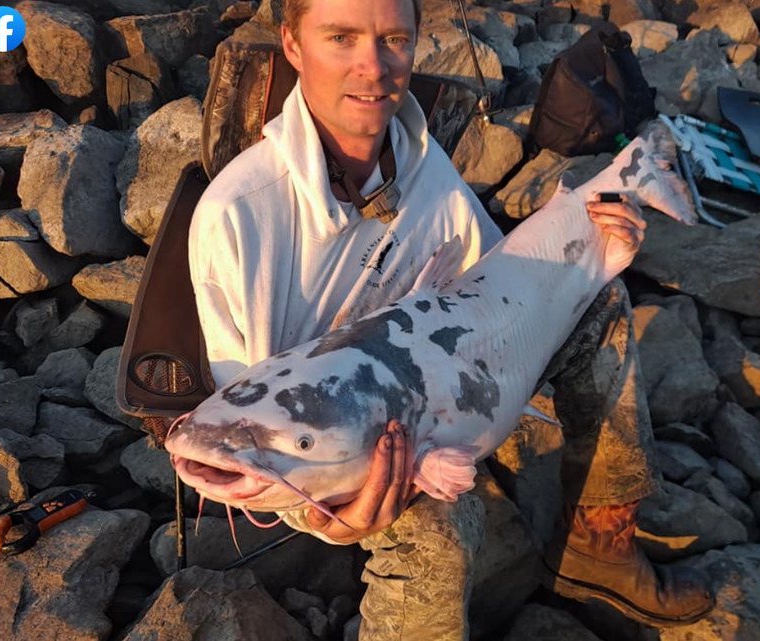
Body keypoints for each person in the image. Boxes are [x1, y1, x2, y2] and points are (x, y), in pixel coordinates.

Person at [187, 0, 714, 637]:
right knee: (437, 533)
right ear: (293, 45)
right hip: (317, 461)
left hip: (425, 377)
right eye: (341, 38)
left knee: (599, 305)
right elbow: (248, 411)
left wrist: (596, 249)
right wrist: (332, 517)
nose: (373, 68)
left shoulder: (418, 157)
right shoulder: (238, 215)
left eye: (393, 40)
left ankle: (599, 541)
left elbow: (487, 278)